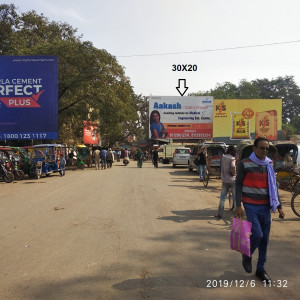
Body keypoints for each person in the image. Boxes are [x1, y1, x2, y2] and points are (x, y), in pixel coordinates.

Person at [236, 137, 285, 283]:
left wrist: (280, 206)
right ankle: (247, 254)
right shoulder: (244, 164)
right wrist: (238, 204)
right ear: (254, 149)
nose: (264, 151)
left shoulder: (269, 164)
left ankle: (260, 269)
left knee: (265, 240)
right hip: (250, 205)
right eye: (262, 148)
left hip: (266, 206)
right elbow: (238, 185)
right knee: (257, 234)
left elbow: (273, 187)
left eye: (267, 148)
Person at [215, 145, 237, 219]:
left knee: (222, 198)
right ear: (231, 151)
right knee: (235, 198)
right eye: (234, 151)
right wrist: (234, 173)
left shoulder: (223, 157)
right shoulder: (232, 158)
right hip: (232, 180)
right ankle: (237, 214)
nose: (235, 152)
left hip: (224, 180)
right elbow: (233, 167)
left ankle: (220, 214)